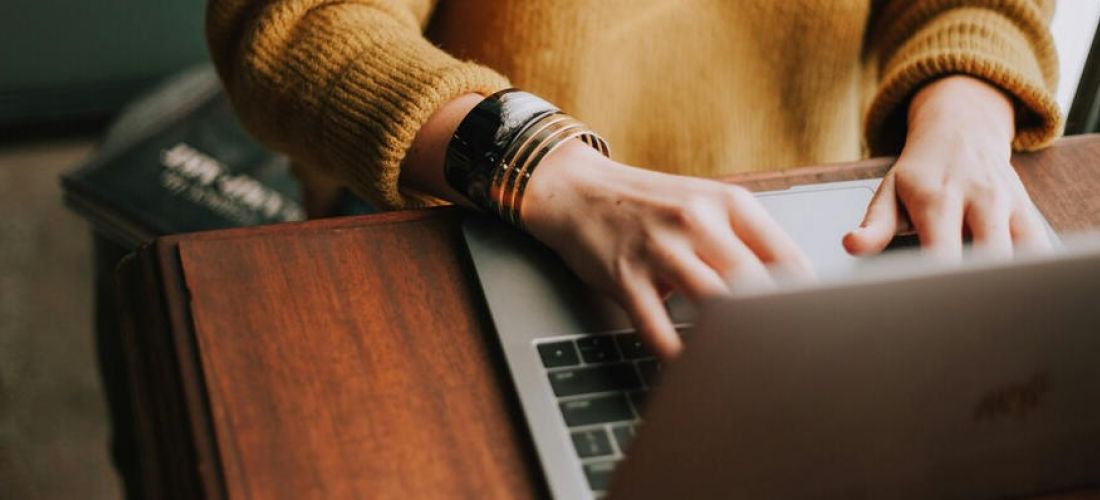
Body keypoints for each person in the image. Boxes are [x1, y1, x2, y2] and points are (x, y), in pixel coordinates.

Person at [206, 0, 1062, 358]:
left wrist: (967, 107)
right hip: (475, 213)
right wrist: (543, 165)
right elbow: (290, 24)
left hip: (812, 236)